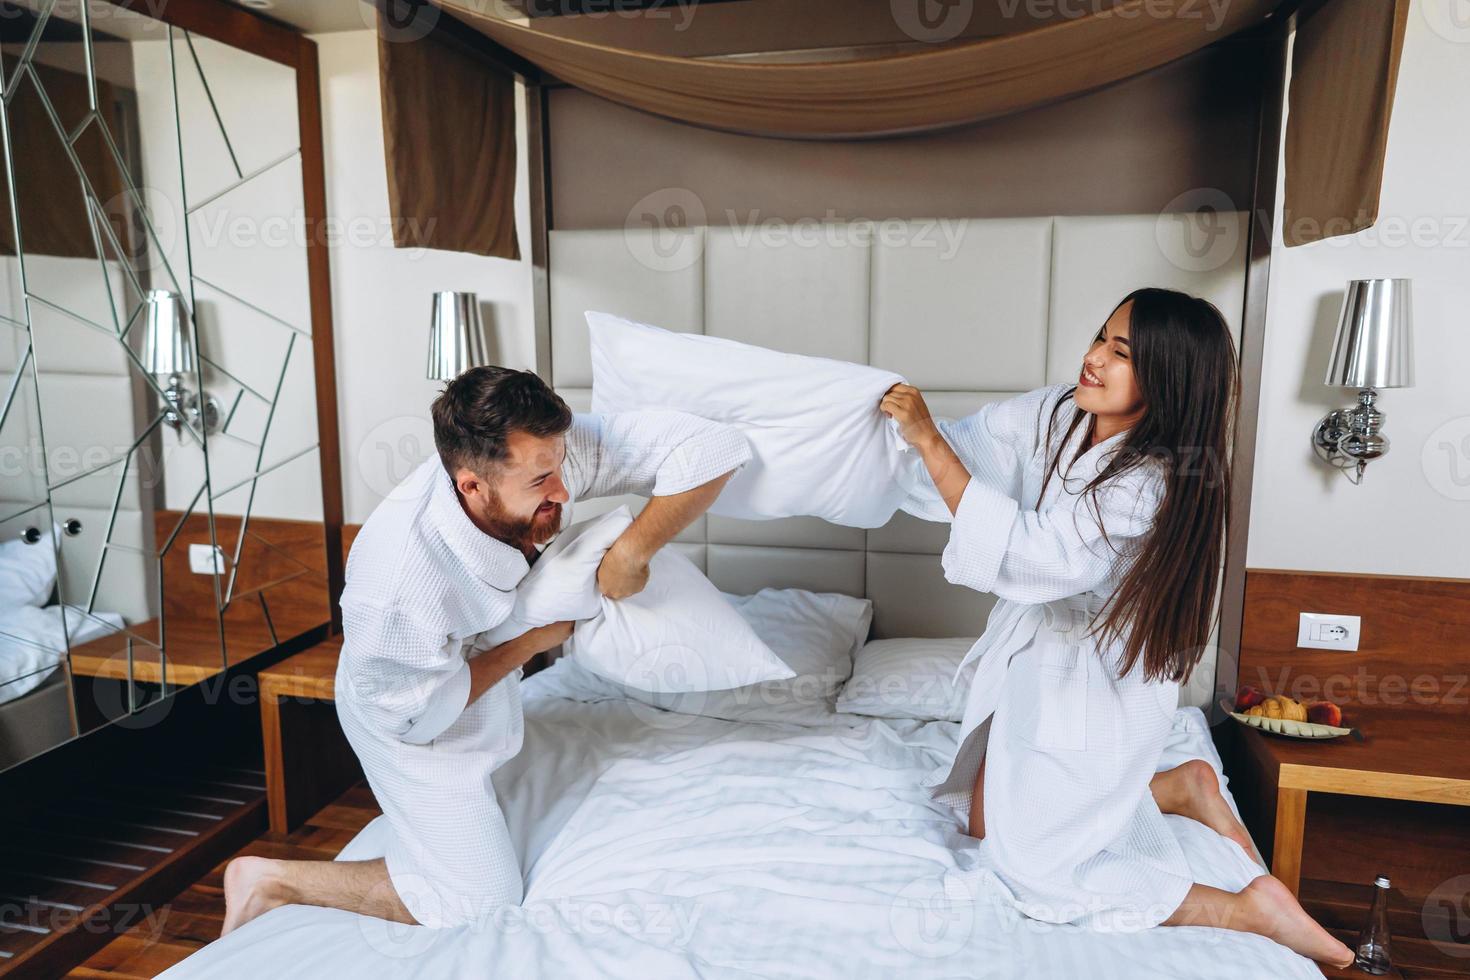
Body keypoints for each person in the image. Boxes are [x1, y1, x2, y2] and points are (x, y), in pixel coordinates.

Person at [881, 288, 1351, 967]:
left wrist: (926, 440)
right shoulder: (1059, 411)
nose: (1093, 358)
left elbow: (1032, 552)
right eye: (1101, 337)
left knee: (1034, 871)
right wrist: (886, 437)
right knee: (985, 827)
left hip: (1097, 688)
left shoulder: (1150, 482)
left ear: (1165, 379)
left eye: (1120, 352)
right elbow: (972, 446)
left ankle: (1249, 910)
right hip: (1035, 662)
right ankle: (1179, 786)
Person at [221, 367, 750, 933]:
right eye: (541, 482)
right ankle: (270, 880)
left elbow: (714, 447)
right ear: (472, 485)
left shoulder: (540, 452)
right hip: (402, 718)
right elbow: (414, 717)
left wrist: (631, 555)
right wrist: (533, 642)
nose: (564, 491)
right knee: (482, 902)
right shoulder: (399, 583)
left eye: (561, 466)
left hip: (470, 676)